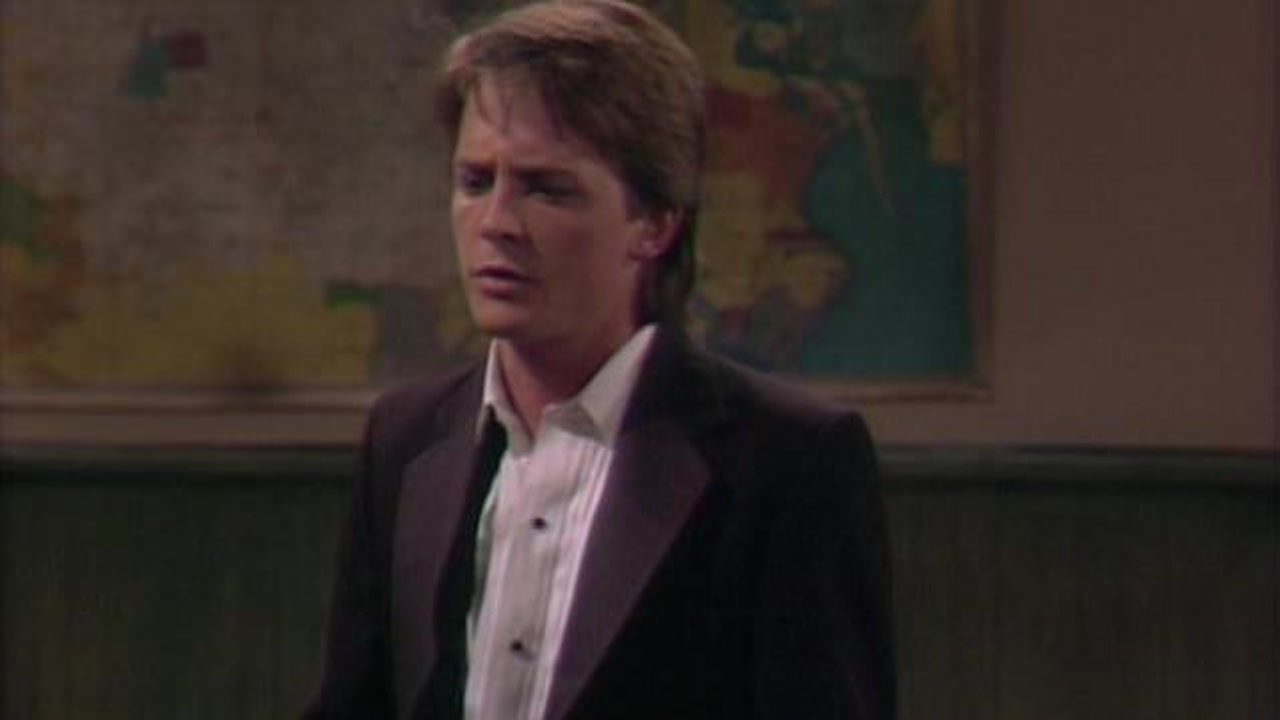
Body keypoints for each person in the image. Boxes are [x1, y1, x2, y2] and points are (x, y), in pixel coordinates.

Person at [303, 2, 896, 719]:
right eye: (476, 182)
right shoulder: (407, 438)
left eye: (546, 188)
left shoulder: (786, 460)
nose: (497, 224)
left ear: (654, 224)